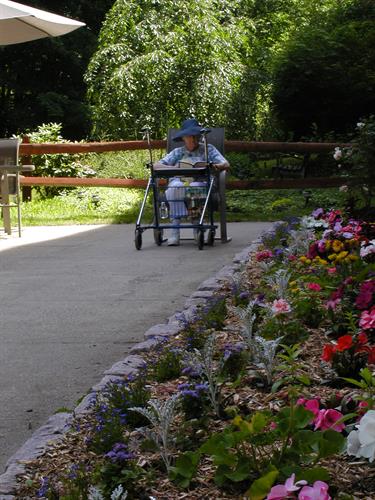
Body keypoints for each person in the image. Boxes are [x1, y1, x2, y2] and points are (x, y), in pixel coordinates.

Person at [154, 118, 229, 246]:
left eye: (196, 136)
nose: (194, 140)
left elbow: (226, 163)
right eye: (190, 137)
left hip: (201, 182)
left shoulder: (208, 149)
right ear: (183, 138)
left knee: (195, 188)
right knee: (174, 188)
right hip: (179, 182)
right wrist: (174, 168)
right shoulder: (178, 152)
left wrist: (216, 166)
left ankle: (197, 229)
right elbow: (156, 166)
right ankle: (174, 233)